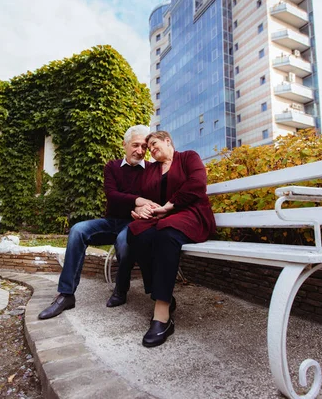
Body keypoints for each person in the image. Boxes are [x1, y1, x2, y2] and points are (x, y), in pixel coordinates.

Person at [38, 125, 156, 319]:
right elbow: (112, 195)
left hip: (134, 224)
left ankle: (121, 289)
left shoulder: (152, 169)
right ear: (124, 145)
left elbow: (150, 200)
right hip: (110, 222)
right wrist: (137, 201)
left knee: (124, 241)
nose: (140, 151)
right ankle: (66, 294)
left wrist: (141, 207)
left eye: (144, 147)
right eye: (135, 145)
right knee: (78, 230)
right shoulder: (112, 167)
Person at [128, 130, 216, 347]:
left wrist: (169, 206)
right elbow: (149, 199)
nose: (152, 149)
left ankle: (162, 314)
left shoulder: (188, 157)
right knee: (136, 231)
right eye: (149, 148)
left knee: (165, 234)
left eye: (155, 144)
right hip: (166, 218)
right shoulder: (153, 170)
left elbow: (197, 184)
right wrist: (143, 209)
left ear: (168, 141)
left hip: (193, 214)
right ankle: (159, 291)